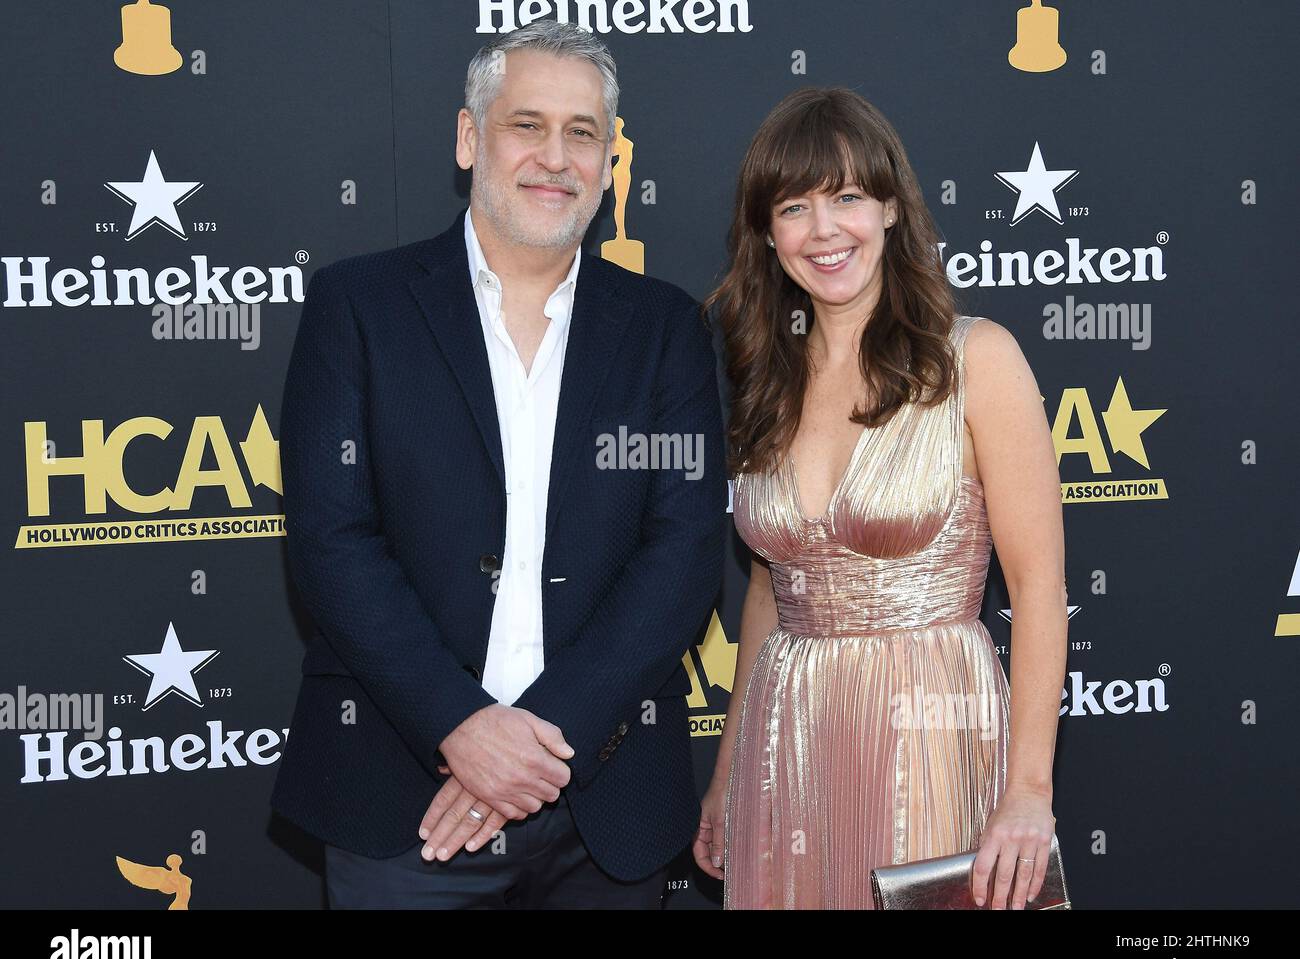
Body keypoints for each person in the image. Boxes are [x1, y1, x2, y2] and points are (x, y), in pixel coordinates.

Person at [270, 19, 725, 909]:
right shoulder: (358, 306)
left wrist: (534, 745)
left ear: (608, 157)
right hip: (403, 802)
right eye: (528, 125)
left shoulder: (666, 329)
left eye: (582, 132)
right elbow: (331, 540)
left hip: (609, 806)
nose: (556, 157)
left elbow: (682, 557)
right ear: (471, 137)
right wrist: (459, 728)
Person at [692, 87, 1066, 909]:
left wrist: (1029, 788)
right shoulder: (765, 382)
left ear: (892, 208)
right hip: (787, 746)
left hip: (933, 733)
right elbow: (769, 591)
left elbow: (1038, 590)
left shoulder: (978, 362)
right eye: (794, 206)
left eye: (848, 197)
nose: (824, 230)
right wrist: (727, 770)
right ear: (766, 231)